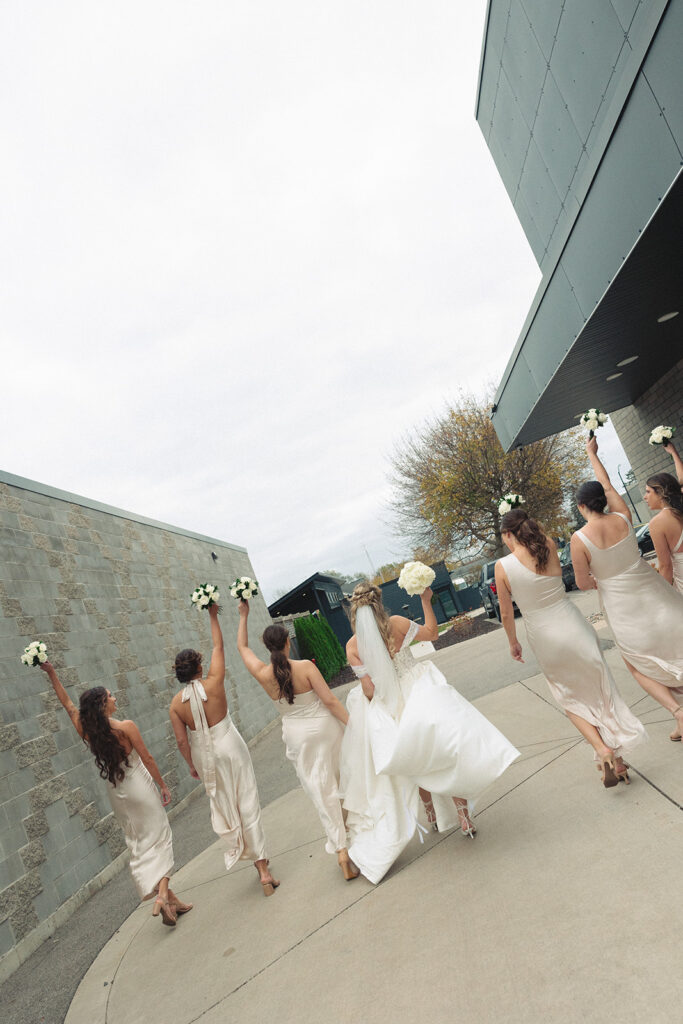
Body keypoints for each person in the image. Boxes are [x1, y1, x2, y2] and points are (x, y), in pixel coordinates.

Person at [339, 582, 519, 884]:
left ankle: (432, 815)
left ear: (354, 612)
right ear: (379, 603)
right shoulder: (395, 623)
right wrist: (425, 600)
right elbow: (433, 633)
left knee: (415, 759)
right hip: (420, 691)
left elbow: (368, 689)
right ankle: (463, 816)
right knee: (443, 753)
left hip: (392, 703)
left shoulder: (353, 646)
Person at [496, 508, 646, 786]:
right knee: (600, 692)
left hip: (545, 638)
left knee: (570, 698)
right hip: (575, 626)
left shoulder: (503, 566)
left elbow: (506, 614)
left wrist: (513, 642)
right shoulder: (549, 545)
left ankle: (603, 751)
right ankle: (620, 761)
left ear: (508, 534)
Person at [39, 661, 187, 926]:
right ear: (103, 705)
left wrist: (52, 674)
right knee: (161, 836)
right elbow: (148, 758)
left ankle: (172, 902)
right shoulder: (126, 726)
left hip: (117, 792)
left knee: (140, 842)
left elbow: (68, 705)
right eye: (110, 696)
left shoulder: (87, 730)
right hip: (138, 785)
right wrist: (163, 785)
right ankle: (162, 896)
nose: (114, 698)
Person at [571, 437, 683, 742]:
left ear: (581, 506)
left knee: (638, 663)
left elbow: (581, 583)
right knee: (676, 645)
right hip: (652, 589)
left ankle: (678, 712)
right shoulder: (623, 517)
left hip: (621, 605)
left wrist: (599, 579)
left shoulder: (579, 539)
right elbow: (607, 485)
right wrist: (592, 454)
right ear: (603, 501)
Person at [236, 602, 358, 880]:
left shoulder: (263, 674)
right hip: (325, 730)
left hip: (297, 737)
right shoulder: (305, 667)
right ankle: (350, 835)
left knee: (321, 790)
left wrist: (243, 615)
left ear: (267, 648)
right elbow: (329, 700)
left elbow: (242, 648)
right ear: (288, 641)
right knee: (341, 782)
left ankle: (341, 848)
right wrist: (354, 725)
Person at [169, 602, 278, 895]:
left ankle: (249, 855)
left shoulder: (175, 706)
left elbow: (181, 741)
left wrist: (192, 764)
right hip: (230, 743)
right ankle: (264, 869)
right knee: (248, 799)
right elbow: (219, 645)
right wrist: (212, 614)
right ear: (200, 667)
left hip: (206, 757)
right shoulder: (215, 682)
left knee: (228, 804)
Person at [645, 445, 683, 593]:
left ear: (660, 492)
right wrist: (674, 453)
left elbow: (666, 566)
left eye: (648, 491)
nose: (645, 497)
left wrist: (664, 596)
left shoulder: (657, 523)